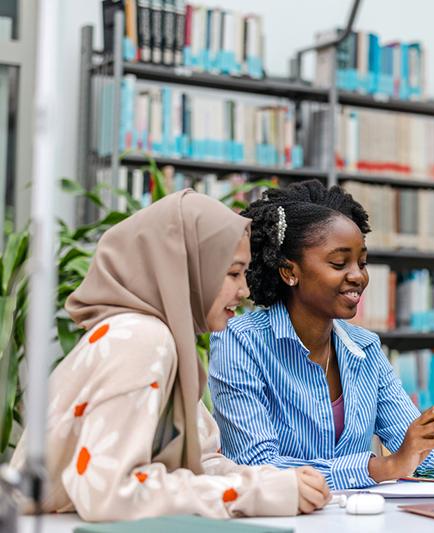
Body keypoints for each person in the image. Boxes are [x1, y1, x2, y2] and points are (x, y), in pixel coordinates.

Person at [11, 190, 330, 521]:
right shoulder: (141, 339)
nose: (244, 290)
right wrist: (257, 493)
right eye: (233, 273)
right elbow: (109, 493)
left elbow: (200, 463)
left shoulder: (164, 341)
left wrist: (273, 482)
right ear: (187, 268)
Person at [208, 180, 434, 489]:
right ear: (289, 271)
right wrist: (382, 466)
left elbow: (409, 440)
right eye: (339, 263)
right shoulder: (239, 341)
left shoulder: (365, 347)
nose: (358, 276)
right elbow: (257, 465)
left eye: (362, 262)